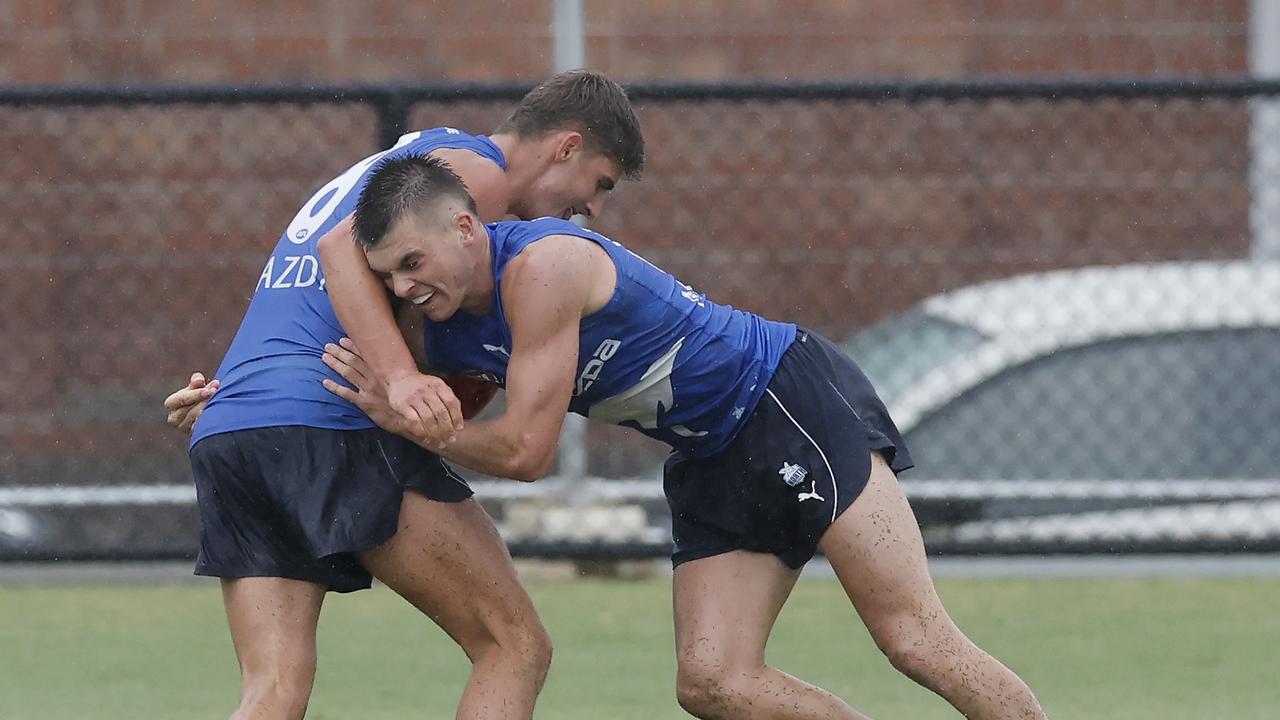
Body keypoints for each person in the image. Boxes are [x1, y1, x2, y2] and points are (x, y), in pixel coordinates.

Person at [321, 154, 1048, 720]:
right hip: (709, 453)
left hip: (785, 402)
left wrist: (416, 422)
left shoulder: (542, 268)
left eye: (414, 263)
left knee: (915, 641)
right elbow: (336, 256)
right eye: (389, 276)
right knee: (714, 682)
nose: (406, 288)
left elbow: (526, 454)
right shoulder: (443, 326)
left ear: (465, 228)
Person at [173, 70, 645, 720]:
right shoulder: (479, 175)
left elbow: (307, 296)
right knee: (514, 646)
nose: (592, 207)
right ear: (565, 146)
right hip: (330, 419)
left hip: (235, 423)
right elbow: (341, 247)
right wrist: (400, 380)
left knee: (274, 689)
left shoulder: (422, 160)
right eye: (600, 183)